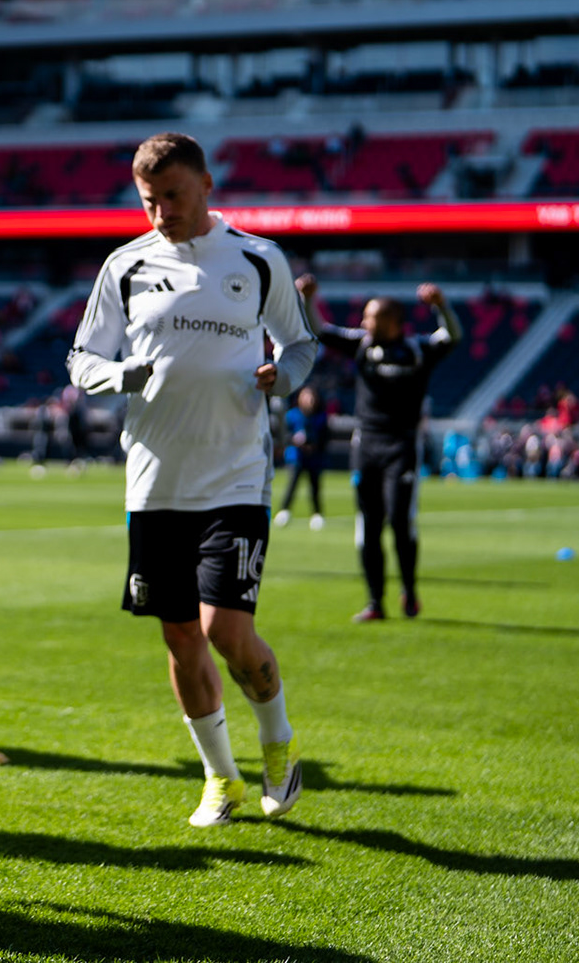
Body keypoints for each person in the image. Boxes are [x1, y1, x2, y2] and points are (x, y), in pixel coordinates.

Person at [68, 131, 316, 828]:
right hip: (153, 482)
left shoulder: (258, 258)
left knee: (227, 631)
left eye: (173, 196)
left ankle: (278, 743)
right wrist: (120, 375)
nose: (162, 213)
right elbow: (83, 359)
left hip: (235, 474)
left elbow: (300, 344)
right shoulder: (125, 265)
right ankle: (220, 778)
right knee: (180, 637)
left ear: (207, 184)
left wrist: (281, 377)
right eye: (149, 201)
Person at [297, 277, 460, 622]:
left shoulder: (417, 349)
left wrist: (441, 306)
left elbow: (452, 336)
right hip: (366, 445)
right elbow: (321, 330)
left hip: (402, 445)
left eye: (370, 317)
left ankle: (409, 591)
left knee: (400, 521)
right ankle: (375, 602)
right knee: (369, 524)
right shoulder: (362, 343)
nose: (363, 322)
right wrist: (309, 299)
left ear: (391, 321)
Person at [275, 387, 331, 531]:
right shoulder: (292, 415)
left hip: (314, 458)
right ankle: (284, 510)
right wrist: (295, 442)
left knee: (315, 486)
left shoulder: (320, 417)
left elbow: (325, 438)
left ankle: (317, 513)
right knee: (292, 484)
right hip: (297, 456)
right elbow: (285, 435)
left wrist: (314, 446)